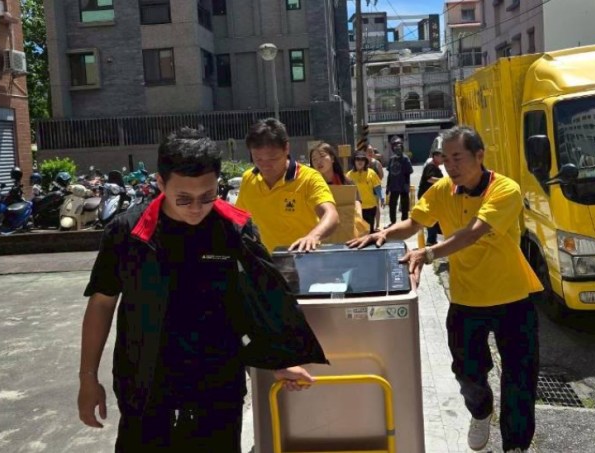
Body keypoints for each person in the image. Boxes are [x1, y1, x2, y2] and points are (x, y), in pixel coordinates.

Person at [78, 127, 328, 452]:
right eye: (183, 198)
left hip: (217, 386)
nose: (196, 208)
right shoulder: (127, 233)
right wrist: (87, 377)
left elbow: (254, 301)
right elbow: (101, 303)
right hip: (146, 382)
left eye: (207, 196)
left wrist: (279, 358)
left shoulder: (234, 229)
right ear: (160, 183)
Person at [348, 126, 542, 453]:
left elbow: (474, 232)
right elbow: (415, 222)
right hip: (466, 298)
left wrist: (428, 253)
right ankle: (480, 411)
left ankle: (515, 446)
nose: (450, 165)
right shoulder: (442, 189)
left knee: (520, 379)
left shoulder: (505, 189)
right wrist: (383, 233)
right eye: (445, 158)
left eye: (457, 158)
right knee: (467, 373)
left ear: (479, 156)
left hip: (513, 298)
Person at [236, 118, 339, 252]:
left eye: (273, 158)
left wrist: (313, 236)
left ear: (286, 148)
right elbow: (238, 218)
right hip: (264, 261)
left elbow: (331, 215)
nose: (266, 165)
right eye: (258, 159)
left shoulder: (308, 178)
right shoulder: (248, 179)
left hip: (301, 257)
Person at [346, 151, 382, 232]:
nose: (360, 161)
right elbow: (346, 191)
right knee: (358, 232)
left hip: (370, 207)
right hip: (356, 208)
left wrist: (381, 198)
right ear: (354, 161)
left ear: (365, 161)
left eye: (362, 159)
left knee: (369, 230)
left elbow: (377, 186)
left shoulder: (371, 173)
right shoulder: (349, 175)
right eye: (358, 159)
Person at [418, 149, 444, 245]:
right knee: (431, 217)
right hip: (427, 196)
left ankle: (433, 239)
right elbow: (430, 179)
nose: (443, 159)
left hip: (432, 196)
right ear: (435, 157)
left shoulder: (435, 167)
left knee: (435, 217)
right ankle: (431, 240)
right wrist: (445, 181)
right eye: (441, 156)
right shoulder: (431, 166)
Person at [385, 136, 413, 226]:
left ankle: (404, 222)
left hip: (403, 186)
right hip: (394, 186)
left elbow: (409, 172)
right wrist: (387, 186)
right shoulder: (392, 159)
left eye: (399, 147)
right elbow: (390, 174)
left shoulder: (405, 159)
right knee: (392, 205)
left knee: (404, 205)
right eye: (395, 147)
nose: (397, 149)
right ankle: (393, 222)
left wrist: (407, 185)